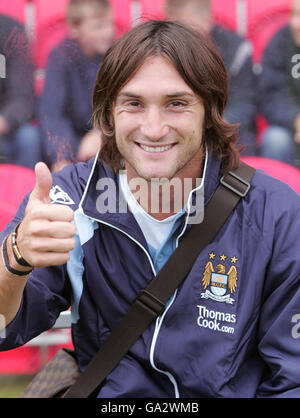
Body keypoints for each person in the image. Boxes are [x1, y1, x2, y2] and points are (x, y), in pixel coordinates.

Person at [0, 20, 300, 398]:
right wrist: (14, 258)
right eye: (134, 104)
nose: (154, 129)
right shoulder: (70, 198)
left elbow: (293, 378)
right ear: (108, 114)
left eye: (176, 104)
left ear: (209, 110)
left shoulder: (278, 214)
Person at [164, 0, 258, 157]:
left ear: (207, 21)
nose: (179, 36)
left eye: (187, 28)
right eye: (173, 28)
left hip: (225, 124)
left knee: (244, 141)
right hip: (174, 124)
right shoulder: (159, 52)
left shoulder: (237, 50)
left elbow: (245, 102)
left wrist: (214, 126)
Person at [39, 0, 114, 172]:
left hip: (107, 135)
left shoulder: (118, 54)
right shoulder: (60, 56)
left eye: (110, 24)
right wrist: (61, 155)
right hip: (71, 137)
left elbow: (124, 105)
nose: (108, 32)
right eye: (98, 26)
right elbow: (52, 112)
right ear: (74, 29)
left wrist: (100, 133)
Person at [259, 0, 300, 168]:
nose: (295, 23)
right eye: (294, 14)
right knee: (275, 139)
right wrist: (295, 119)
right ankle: (278, 193)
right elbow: (270, 95)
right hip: (290, 127)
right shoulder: (280, 41)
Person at [0, 14, 40, 169]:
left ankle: (26, 192)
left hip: (6, 123)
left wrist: (4, 121)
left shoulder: (12, 31)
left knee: (29, 138)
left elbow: (23, 97)